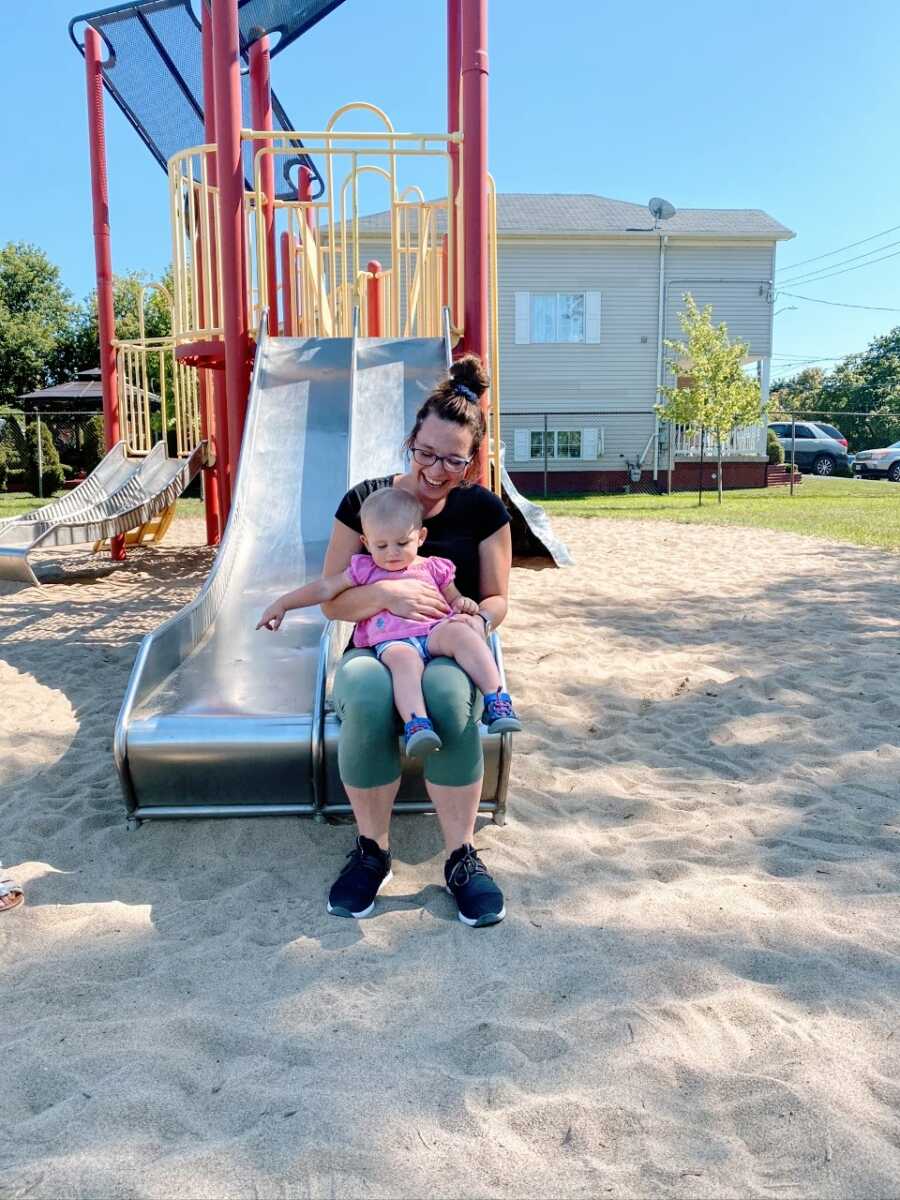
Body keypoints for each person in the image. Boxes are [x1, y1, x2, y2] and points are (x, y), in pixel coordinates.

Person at [312, 354, 515, 927]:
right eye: (425, 453)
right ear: (410, 441)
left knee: (450, 701)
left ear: (472, 460)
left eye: (453, 460)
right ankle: (373, 850)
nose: (435, 470)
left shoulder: (485, 510)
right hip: (377, 645)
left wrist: (475, 620)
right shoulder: (367, 503)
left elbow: (498, 598)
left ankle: (460, 856)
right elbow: (333, 601)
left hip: (447, 641)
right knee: (371, 698)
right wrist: (388, 598)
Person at [256, 486, 522, 757]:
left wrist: (463, 605)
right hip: (393, 640)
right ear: (366, 541)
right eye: (381, 546)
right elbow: (325, 589)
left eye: (401, 543)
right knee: (403, 663)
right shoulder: (363, 569)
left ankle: (496, 698)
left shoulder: (433, 566)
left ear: (420, 537)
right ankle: (416, 723)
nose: (391, 553)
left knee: (465, 634)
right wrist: (283, 603)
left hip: (434, 630)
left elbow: (453, 600)